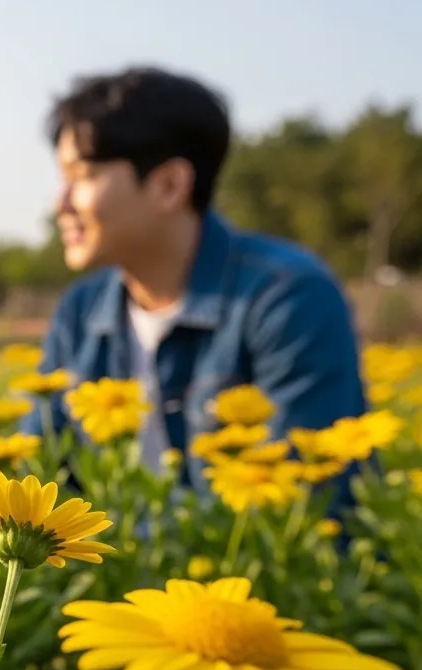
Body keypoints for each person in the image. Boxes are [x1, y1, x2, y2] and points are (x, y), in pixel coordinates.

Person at [21, 66, 366, 499]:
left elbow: (298, 502)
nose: (61, 204)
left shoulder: (288, 297)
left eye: (82, 177)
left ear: (169, 184)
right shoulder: (79, 311)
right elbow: (39, 480)